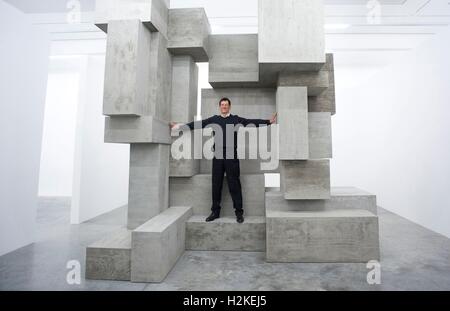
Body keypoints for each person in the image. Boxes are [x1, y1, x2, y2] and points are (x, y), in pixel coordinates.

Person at [170, 97, 277, 223]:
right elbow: (198, 124)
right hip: (218, 157)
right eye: (222, 105)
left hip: (232, 157)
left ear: (229, 107)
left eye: (226, 105)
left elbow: (251, 122)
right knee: (216, 184)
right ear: (219, 107)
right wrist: (179, 127)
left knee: (234, 185)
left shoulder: (236, 119)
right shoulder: (214, 119)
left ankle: (239, 213)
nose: (224, 107)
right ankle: (215, 212)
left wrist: (268, 122)